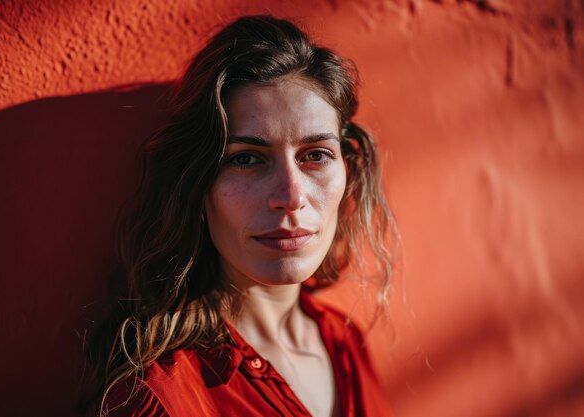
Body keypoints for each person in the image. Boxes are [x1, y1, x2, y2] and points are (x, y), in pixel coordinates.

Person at [92, 14, 396, 417]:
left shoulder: (343, 341)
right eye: (247, 159)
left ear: (347, 169)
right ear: (198, 185)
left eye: (316, 155)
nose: (290, 197)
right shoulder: (164, 398)